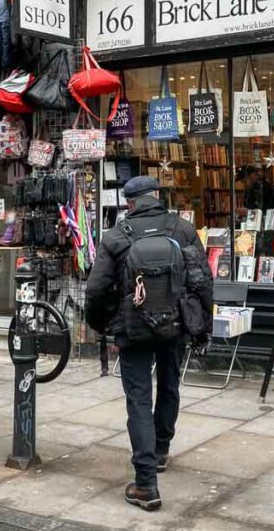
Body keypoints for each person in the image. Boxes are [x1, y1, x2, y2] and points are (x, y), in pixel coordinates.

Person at [85, 176, 213, 512]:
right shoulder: (182, 229)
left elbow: (96, 290)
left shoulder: (116, 236)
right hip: (175, 324)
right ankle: (160, 452)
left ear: (129, 203)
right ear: (157, 196)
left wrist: (103, 325)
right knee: (170, 386)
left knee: (138, 400)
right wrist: (203, 326)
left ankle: (145, 485)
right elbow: (203, 281)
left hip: (133, 326)